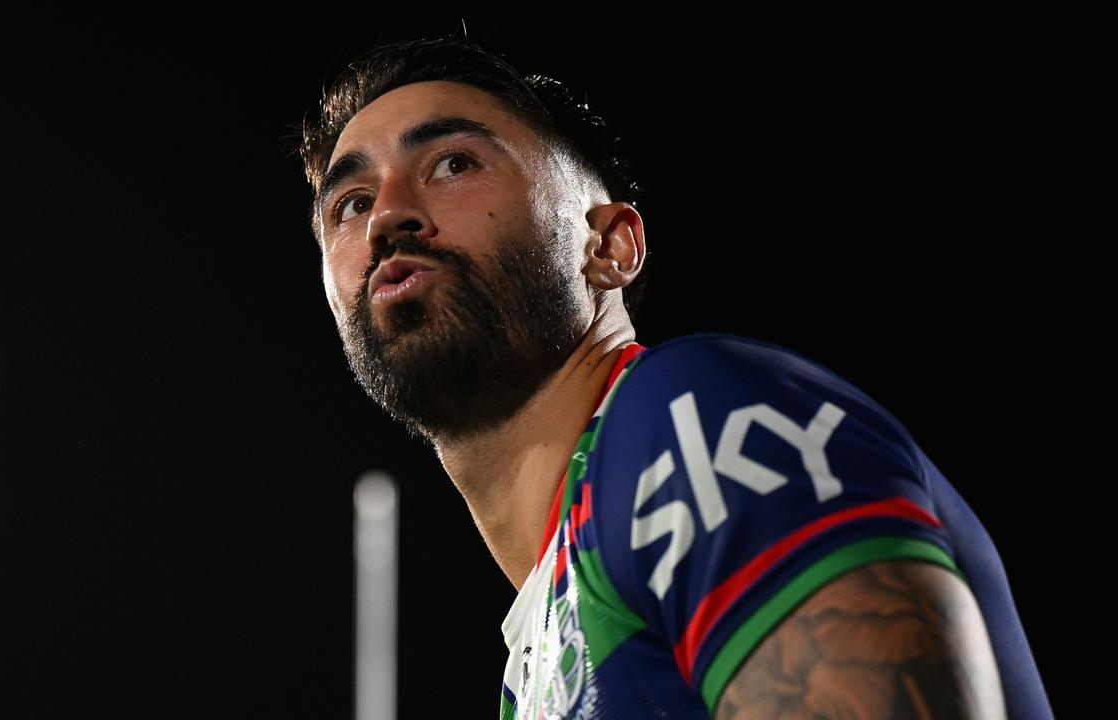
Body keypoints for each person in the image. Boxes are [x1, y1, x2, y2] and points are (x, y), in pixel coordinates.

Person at [288, 32, 1052, 719]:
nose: (388, 216)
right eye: (350, 205)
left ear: (611, 246)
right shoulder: (533, 672)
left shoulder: (693, 419)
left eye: (453, 163)